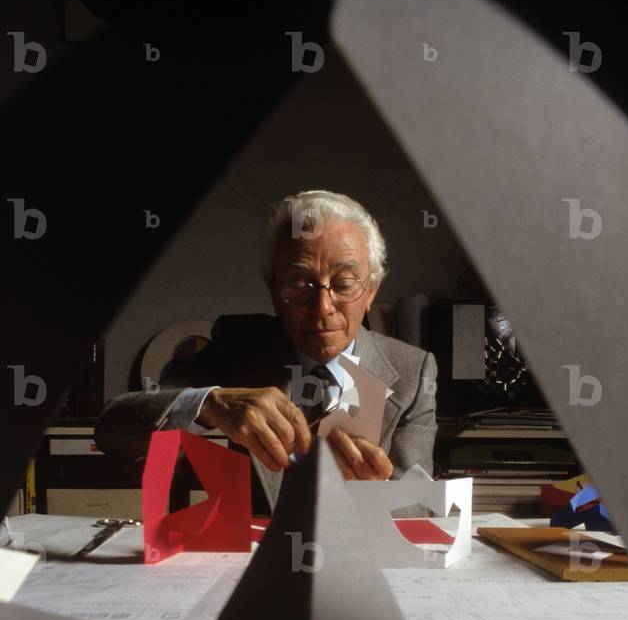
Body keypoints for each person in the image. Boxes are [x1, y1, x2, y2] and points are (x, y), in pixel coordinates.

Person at [95, 190, 438, 514]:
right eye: (299, 285)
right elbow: (112, 430)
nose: (322, 307)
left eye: (344, 285)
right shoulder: (238, 345)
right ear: (273, 290)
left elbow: (420, 513)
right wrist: (210, 404)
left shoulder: (412, 371)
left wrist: (373, 497)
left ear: (371, 291)